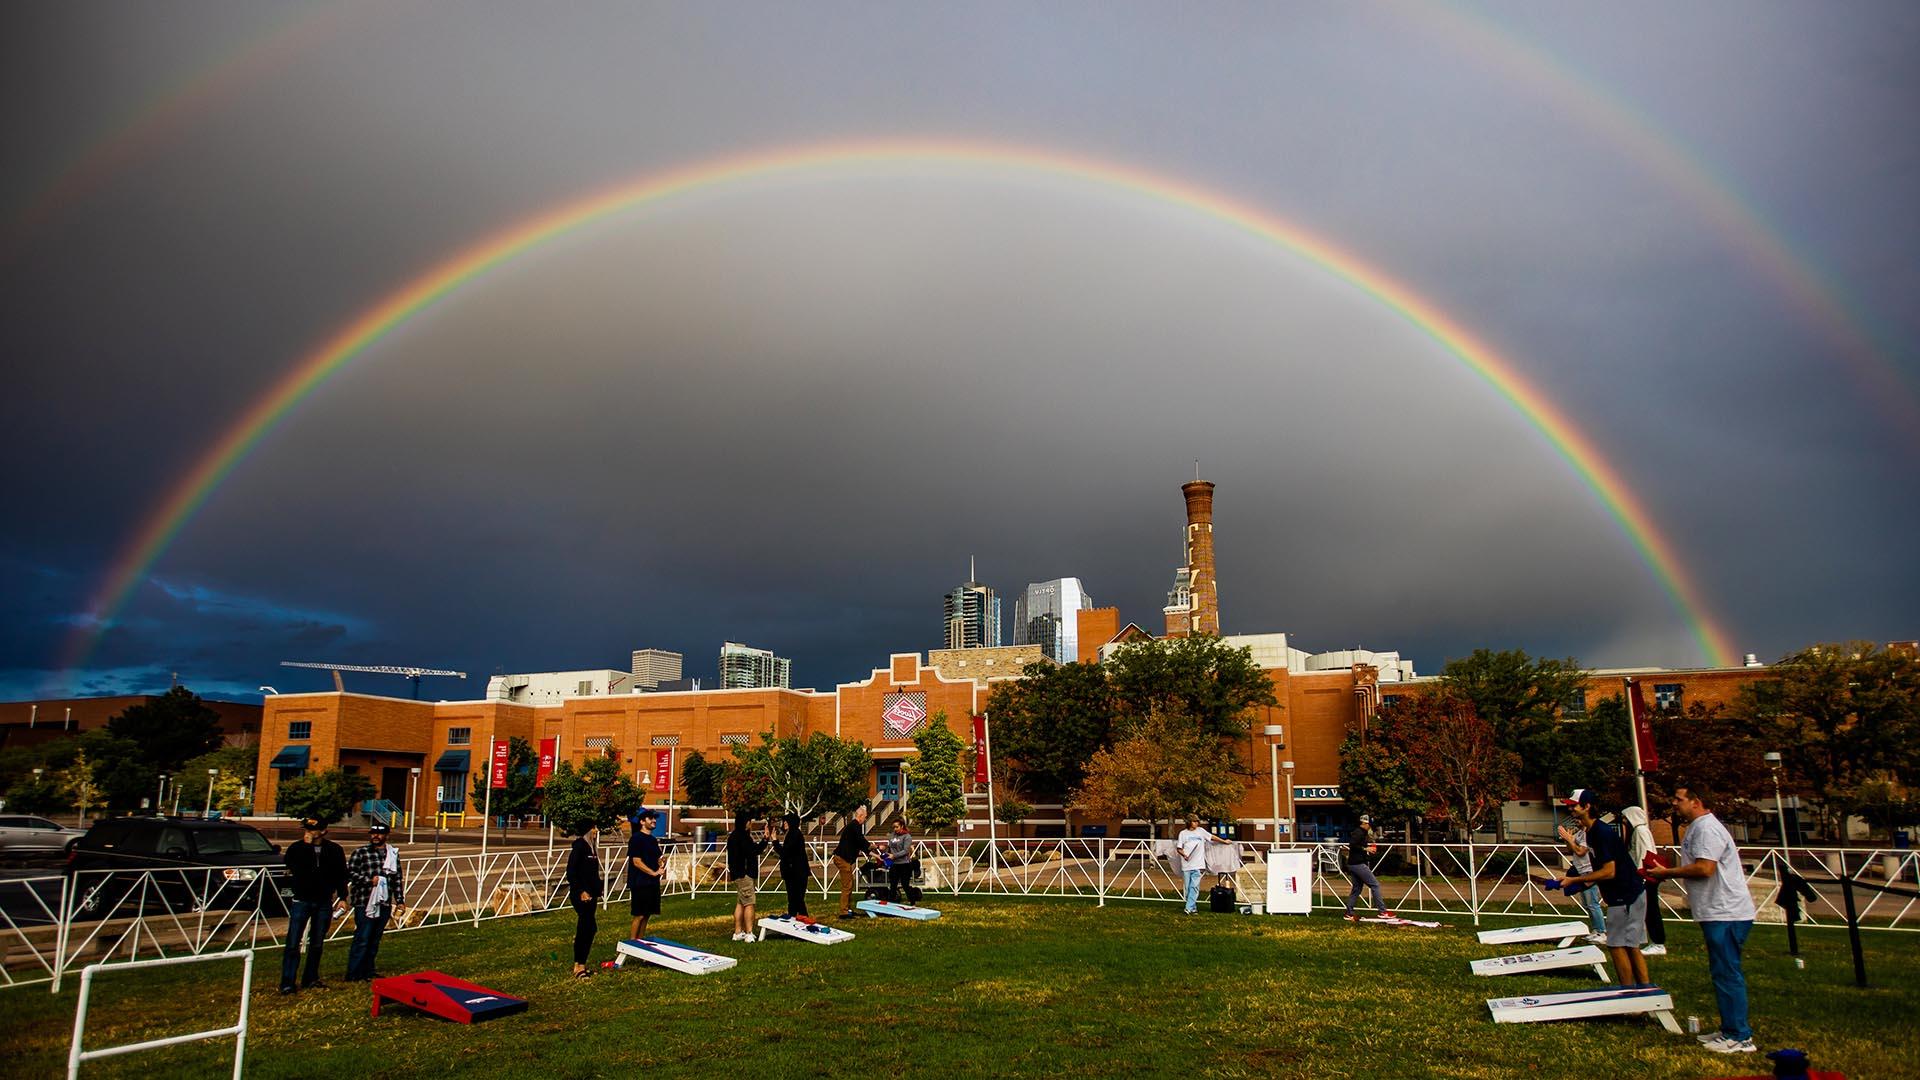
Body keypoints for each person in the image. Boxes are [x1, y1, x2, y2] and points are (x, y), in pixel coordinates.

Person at [1646, 784, 1758, 1055]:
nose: (1674, 803)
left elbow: (1705, 868)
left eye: (1679, 799)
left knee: (1728, 973)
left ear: (1696, 802)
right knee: (1721, 972)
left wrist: (1667, 872)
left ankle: (1740, 1036)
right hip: (1715, 911)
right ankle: (1729, 1028)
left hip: (1726, 912)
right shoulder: (1698, 827)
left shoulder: (1707, 828)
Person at [1556, 789, 1650, 988]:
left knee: (1617, 945)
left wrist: (1574, 881)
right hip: (1625, 894)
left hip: (1625, 896)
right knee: (1630, 946)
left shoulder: (1601, 832)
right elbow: (1597, 867)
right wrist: (1578, 881)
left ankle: (1630, 992)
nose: (1570, 808)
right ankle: (1644, 991)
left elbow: (1609, 871)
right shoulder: (1592, 832)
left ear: (1587, 806)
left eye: (1574, 805)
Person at [279, 816, 347, 995]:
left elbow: (341, 874)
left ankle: (310, 978)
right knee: (293, 942)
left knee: (317, 942)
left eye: (311, 830)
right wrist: (307, 847)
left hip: (323, 901)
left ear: (323, 831)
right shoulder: (297, 848)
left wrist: (342, 896)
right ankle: (287, 982)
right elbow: (294, 866)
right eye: (306, 829)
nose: (307, 833)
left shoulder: (334, 850)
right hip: (301, 899)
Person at [345, 822, 406, 981]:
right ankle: (354, 973)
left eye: (379, 834)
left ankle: (368, 970)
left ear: (386, 836)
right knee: (362, 938)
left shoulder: (392, 854)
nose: (375, 836)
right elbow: (350, 873)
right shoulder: (361, 853)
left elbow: (397, 879)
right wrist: (368, 881)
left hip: (384, 902)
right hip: (365, 901)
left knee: (374, 939)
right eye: (373, 833)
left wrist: (400, 900)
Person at [1621, 803, 1668, 956]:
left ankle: (1658, 942)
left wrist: (1640, 875)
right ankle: (1647, 939)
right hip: (1643, 875)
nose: (1623, 822)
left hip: (1645, 876)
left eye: (1625, 819)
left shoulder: (1640, 831)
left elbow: (1644, 854)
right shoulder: (1639, 831)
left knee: (1651, 909)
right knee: (1644, 909)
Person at [1557, 812, 1608, 942]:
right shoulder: (1579, 833)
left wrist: (1570, 840)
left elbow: (1581, 851)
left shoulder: (1587, 834)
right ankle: (1596, 929)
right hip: (1581, 871)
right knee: (1586, 903)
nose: (1577, 822)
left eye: (1579, 820)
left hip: (1589, 871)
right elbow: (1571, 850)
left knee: (1592, 903)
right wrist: (1568, 840)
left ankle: (1602, 932)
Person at [566, 822, 604, 977]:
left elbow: (592, 872)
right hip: (581, 895)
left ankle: (582, 963)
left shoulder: (592, 848)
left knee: (589, 928)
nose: (596, 830)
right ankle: (578, 966)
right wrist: (581, 890)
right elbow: (571, 872)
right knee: (586, 928)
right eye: (593, 827)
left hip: (591, 894)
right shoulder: (579, 847)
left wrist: (597, 888)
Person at [1340, 814, 1394, 922]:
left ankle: (1349, 913)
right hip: (1358, 864)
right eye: (1369, 825)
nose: (1370, 827)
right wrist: (1366, 849)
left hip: (1353, 864)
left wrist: (1367, 849)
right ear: (1364, 823)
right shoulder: (1358, 832)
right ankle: (1382, 911)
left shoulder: (1361, 832)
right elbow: (1352, 845)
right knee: (1375, 885)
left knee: (1357, 889)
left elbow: (1356, 845)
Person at [1176, 814, 1231, 915]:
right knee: (1188, 888)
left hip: (1198, 864)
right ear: (1189, 822)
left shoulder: (1201, 831)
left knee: (1194, 886)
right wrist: (1184, 855)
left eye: (1197, 821)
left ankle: (1188, 908)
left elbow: (1211, 837)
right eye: (1194, 821)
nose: (1196, 823)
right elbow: (1179, 848)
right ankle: (1193, 908)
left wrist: (1223, 841)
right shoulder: (1183, 834)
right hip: (1186, 864)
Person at [728, 816, 770, 941]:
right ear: (745, 823)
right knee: (749, 903)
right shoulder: (743, 837)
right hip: (744, 874)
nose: (751, 824)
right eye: (749, 822)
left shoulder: (733, 836)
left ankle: (737, 931)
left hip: (737, 874)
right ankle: (749, 932)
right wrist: (765, 840)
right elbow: (753, 851)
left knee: (741, 902)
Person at [627, 809, 663, 941]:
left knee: (647, 914)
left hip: (652, 883)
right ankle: (632, 943)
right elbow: (636, 861)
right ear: (642, 822)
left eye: (654, 818)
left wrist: (661, 862)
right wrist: (653, 873)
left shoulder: (652, 840)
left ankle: (640, 943)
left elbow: (658, 857)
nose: (654, 821)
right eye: (650, 818)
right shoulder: (636, 839)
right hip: (640, 882)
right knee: (639, 914)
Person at [831, 804, 872, 918]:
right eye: (865, 817)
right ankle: (844, 912)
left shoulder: (853, 826)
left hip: (844, 858)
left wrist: (872, 852)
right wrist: (871, 847)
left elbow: (859, 844)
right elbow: (861, 841)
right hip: (842, 859)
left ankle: (848, 909)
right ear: (860, 815)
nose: (865, 819)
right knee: (847, 885)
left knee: (849, 884)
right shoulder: (855, 826)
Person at [776, 811, 812, 917]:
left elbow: (785, 853)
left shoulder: (794, 834)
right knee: (795, 899)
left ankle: (802, 919)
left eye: (786, 822)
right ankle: (795, 919)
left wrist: (775, 842)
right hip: (795, 872)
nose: (784, 824)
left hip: (796, 872)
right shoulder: (793, 834)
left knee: (796, 899)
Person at [884, 819, 921, 904]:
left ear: (902, 826)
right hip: (894, 864)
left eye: (897, 827)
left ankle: (912, 902)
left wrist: (894, 855)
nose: (895, 829)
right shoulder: (891, 836)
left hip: (904, 864)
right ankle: (891, 903)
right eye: (894, 827)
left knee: (905, 885)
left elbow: (905, 851)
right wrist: (886, 852)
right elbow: (890, 848)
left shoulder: (907, 837)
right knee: (893, 885)